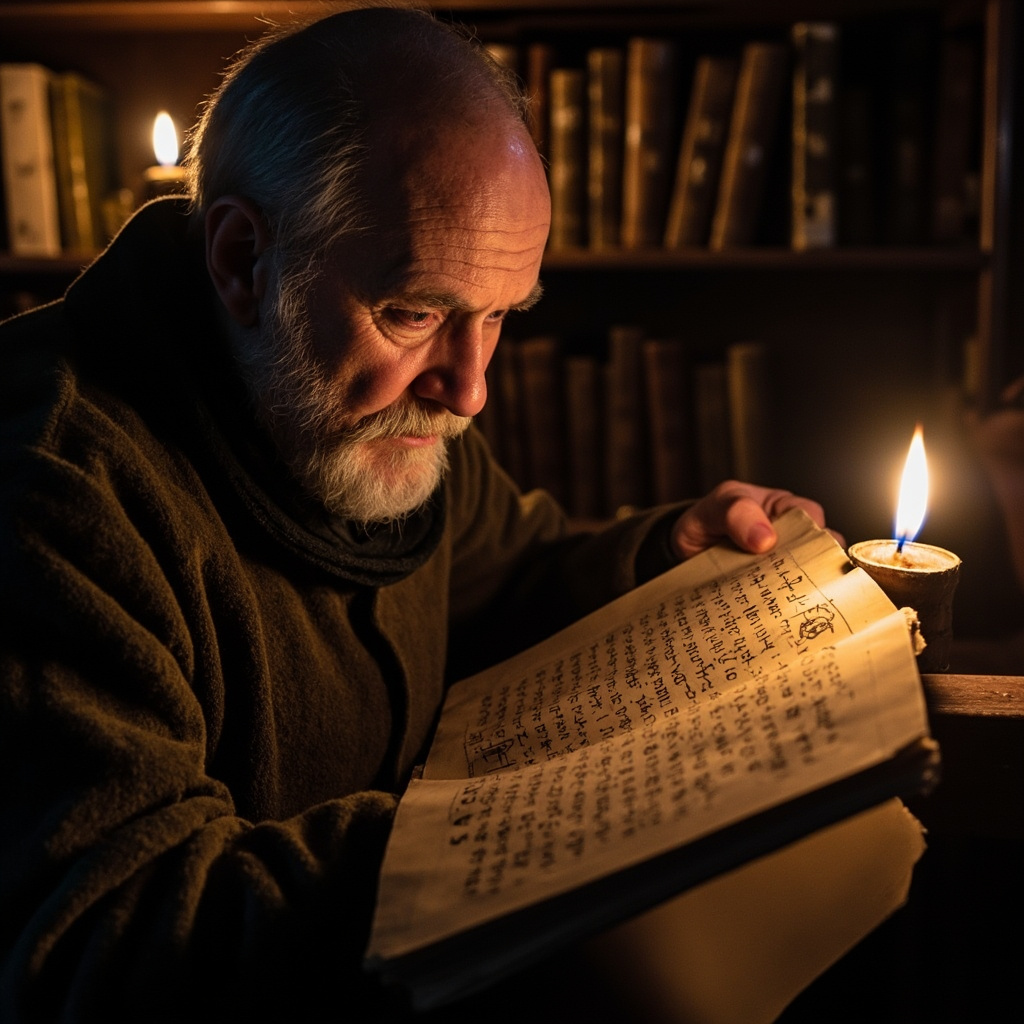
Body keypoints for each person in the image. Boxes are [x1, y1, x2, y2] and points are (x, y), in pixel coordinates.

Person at [0, 6, 840, 1021]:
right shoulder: (52, 489)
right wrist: (510, 833)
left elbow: (507, 577)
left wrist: (667, 552)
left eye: (499, 316)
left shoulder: (366, 405)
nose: (469, 389)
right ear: (241, 260)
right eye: (414, 311)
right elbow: (108, 944)